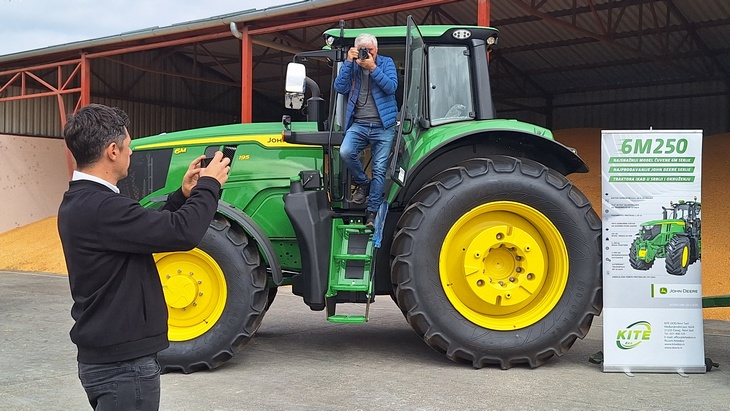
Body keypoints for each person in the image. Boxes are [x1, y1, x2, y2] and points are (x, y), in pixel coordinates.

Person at [57, 104, 230, 410]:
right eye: (128, 145)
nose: (131, 152)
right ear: (112, 151)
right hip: (123, 367)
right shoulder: (103, 207)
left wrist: (181, 196)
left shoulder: (83, 202)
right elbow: (183, 232)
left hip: (110, 359)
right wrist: (210, 185)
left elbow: (146, 232)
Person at [334, 33, 398, 227]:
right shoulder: (352, 66)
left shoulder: (386, 63)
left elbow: (391, 87)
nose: (366, 53)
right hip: (359, 124)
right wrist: (348, 62)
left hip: (383, 126)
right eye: (363, 50)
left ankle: (372, 212)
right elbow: (340, 87)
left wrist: (373, 68)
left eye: (369, 50)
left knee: (379, 170)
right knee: (345, 152)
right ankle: (363, 183)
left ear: (376, 50)